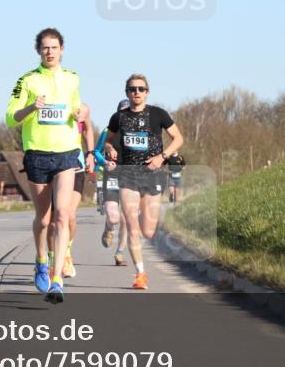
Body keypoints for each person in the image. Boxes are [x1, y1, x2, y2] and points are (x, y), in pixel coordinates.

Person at [6, 28, 93, 303]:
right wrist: (32, 107)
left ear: (62, 49)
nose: (50, 51)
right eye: (45, 47)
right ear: (38, 51)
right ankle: (41, 260)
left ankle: (57, 280)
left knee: (63, 215)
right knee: (43, 219)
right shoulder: (27, 80)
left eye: (54, 47)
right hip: (37, 154)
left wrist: (83, 113)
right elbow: (11, 117)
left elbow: (78, 111)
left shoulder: (72, 79)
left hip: (67, 152)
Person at [103, 74, 183, 290]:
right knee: (132, 225)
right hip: (128, 174)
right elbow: (108, 142)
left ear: (147, 92)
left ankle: (141, 239)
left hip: (153, 174)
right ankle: (140, 273)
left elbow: (179, 138)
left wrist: (162, 157)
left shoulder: (158, 114)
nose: (136, 92)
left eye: (140, 89)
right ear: (126, 93)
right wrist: (110, 150)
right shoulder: (118, 117)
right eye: (132, 89)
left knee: (148, 230)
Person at [45, 104, 94, 279]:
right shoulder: (49, 106)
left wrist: (90, 154)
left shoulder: (80, 107)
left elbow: (88, 129)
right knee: (52, 222)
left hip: (75, 167)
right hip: (50, 166)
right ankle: (52, 259)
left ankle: (65, 252)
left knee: (69, 215)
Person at [100, 99, 131, 266]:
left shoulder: (139, 131)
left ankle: (120, 253)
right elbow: (95, 152)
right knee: (114, 216)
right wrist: (105, 162)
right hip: (112, 174)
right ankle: (109, 226)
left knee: (127, 217)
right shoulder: (107, 131)